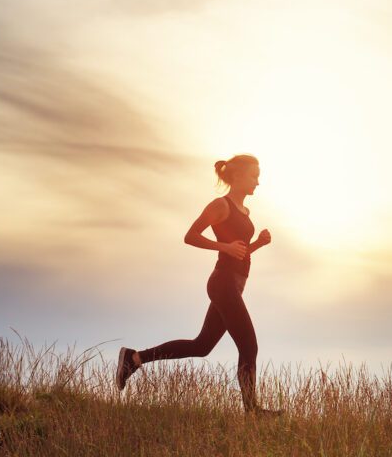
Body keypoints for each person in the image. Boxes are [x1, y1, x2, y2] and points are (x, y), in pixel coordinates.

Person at [115, 154, 279, 414]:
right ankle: (253, 411)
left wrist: (257, 243)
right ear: (237, 176)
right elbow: (190, 236)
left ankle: (134, 359)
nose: (258, 182)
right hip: (222, 283)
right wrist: (222, 245)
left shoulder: (245, 212)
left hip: (234, 285)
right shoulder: (221, 205)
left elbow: (239, 252)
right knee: (249, 346)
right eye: (254, 176)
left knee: (201, 346)